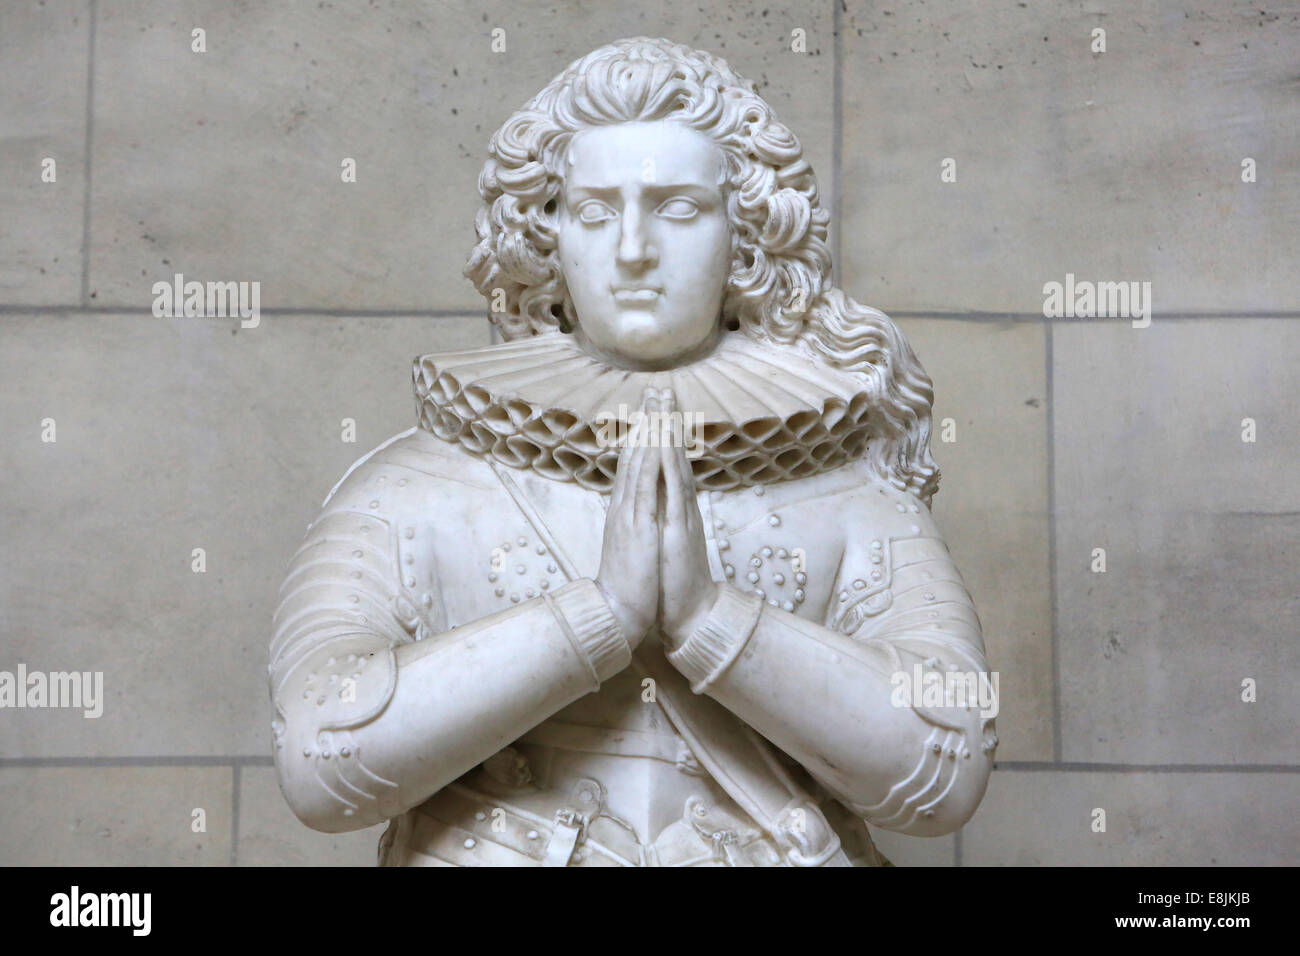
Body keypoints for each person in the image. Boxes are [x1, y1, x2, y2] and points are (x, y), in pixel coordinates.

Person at [269, 37, 996, 867]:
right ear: (545, 234)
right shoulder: (420, 481)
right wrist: (596, 620)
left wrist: (711, 621)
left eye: (679, 208)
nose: (633, 250)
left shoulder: (845, 486)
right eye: (594, 210)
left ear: (747, 235)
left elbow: (949, 768)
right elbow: (318, 760)